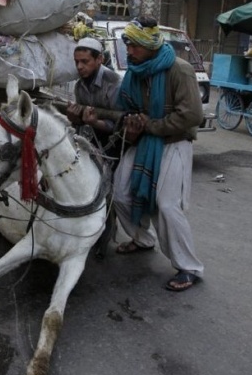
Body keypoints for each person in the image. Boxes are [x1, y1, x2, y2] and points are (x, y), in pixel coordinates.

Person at [112, 16, 205, 292]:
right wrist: (130, 123)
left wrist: (150, 125)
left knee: (166, 205)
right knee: (119, 193)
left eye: (134, 46)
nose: (129, 52)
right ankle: (143, 239)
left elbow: (192, 115)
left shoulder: (180, 70)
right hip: (142, 141)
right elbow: (125, 108)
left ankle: (189, 267)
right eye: (127, 45)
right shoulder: (134, 72)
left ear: (150, 45)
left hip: (174, 142)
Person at [66, 37, 123, 261]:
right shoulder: (80, 85)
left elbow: (118, 125)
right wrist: (75, 119)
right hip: (93, 140)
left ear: (99, 59)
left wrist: (93, 122)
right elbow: (80, 120)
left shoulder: (114, 83)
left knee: (110, 194)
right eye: (77, 62)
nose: (80, 67)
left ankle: (106, 236)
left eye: (85, 61)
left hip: (116, 143)